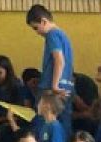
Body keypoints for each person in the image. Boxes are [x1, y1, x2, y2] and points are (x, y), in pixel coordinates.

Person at [26, 4, 75, 135]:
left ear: (44, 21)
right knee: (64, 125)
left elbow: (59, 60)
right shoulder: (63, 36)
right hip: (66, 86)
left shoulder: (52, 35)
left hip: (52, 89)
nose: (37, 32)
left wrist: (54, 85)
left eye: (36, 28)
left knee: (41, 125)